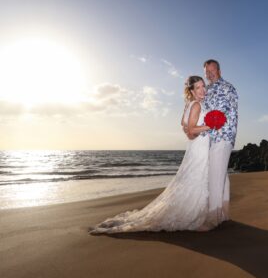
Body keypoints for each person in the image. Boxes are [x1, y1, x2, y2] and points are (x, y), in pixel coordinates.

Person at [88, 76, 213, 234]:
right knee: (196, 178)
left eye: (203, 86)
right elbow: (192, 129)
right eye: (198, 88)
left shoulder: (189, 104)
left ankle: (194, 215)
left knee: (191, 178)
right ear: (192, 91)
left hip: (194, 147)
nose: (203, 90)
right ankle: (194, 219)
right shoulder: (196, 105)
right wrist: (209, 125)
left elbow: (184, 124)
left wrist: (191, 131)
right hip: (199, 148)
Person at [200, 59, 238, 226]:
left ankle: (212, 219)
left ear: (219, 70)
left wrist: (199, 128)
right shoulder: (207, 90)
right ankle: (223, 214)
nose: (209, 74)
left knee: (215, 177)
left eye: (212, 70)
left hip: (222, 136)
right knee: (222, 175)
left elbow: (219, 115)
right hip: (210, 138)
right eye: (206, 72)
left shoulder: (227, 87)